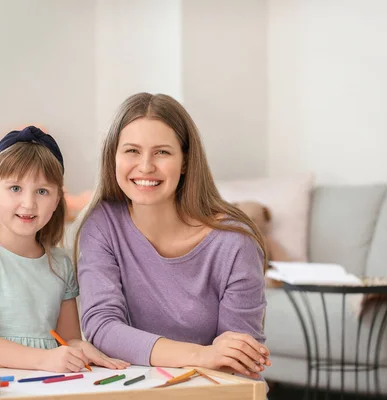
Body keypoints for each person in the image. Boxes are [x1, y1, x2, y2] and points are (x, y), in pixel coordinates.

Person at [74, 93, 271, 378]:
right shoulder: (103, 224)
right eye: (131, 151)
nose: (145, 166)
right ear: (113, 157)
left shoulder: (234, 243)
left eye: (162, 152)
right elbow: (102, 326)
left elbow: (236, 360)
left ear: (186, 162)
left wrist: (213, 359)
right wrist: (201, 354)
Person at [0, 126, 129, 372]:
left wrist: (81, 347)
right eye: (15, 188)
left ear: (56, 200)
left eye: (42, 191)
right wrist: (44, 359)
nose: (29, 203)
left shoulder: (60, 263)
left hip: (39, 382)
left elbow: (68, 337)